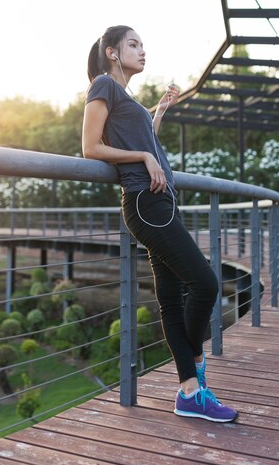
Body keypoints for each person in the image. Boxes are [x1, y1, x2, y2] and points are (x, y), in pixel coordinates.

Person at [82, 25, 237, 423]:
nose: (142, 50)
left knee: (171, 300)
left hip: (160, 202)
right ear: (112, 52)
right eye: (133, 44)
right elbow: (90, 147)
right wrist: (143, 159)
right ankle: (196, 361)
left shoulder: (126, 96)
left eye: (142, 44)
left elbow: (142, 138)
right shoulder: (103, 84)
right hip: (145, 203)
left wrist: (160, 112)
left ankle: (189, 393)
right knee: (205, 284)